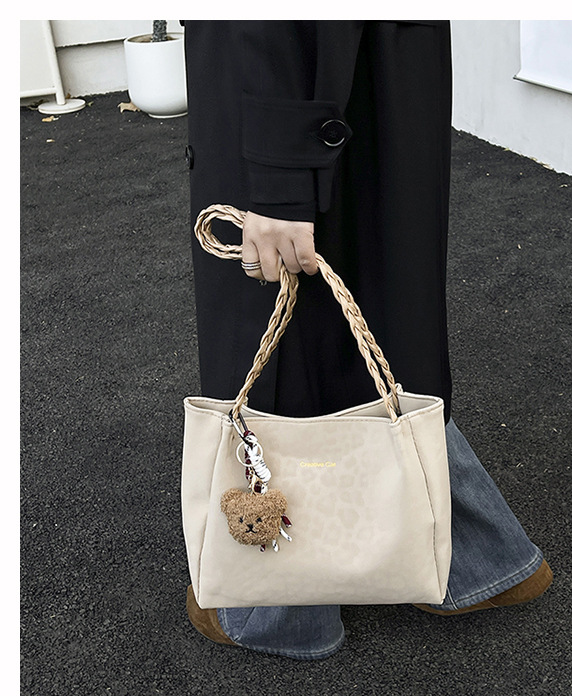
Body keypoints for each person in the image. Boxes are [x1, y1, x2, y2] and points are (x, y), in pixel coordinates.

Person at [182, 20, 552, 660]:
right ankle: (469, 561)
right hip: (377, 84)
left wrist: (278, 175)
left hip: (283, 94)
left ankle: (279, 609)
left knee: (282, 342)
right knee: (379, 328)